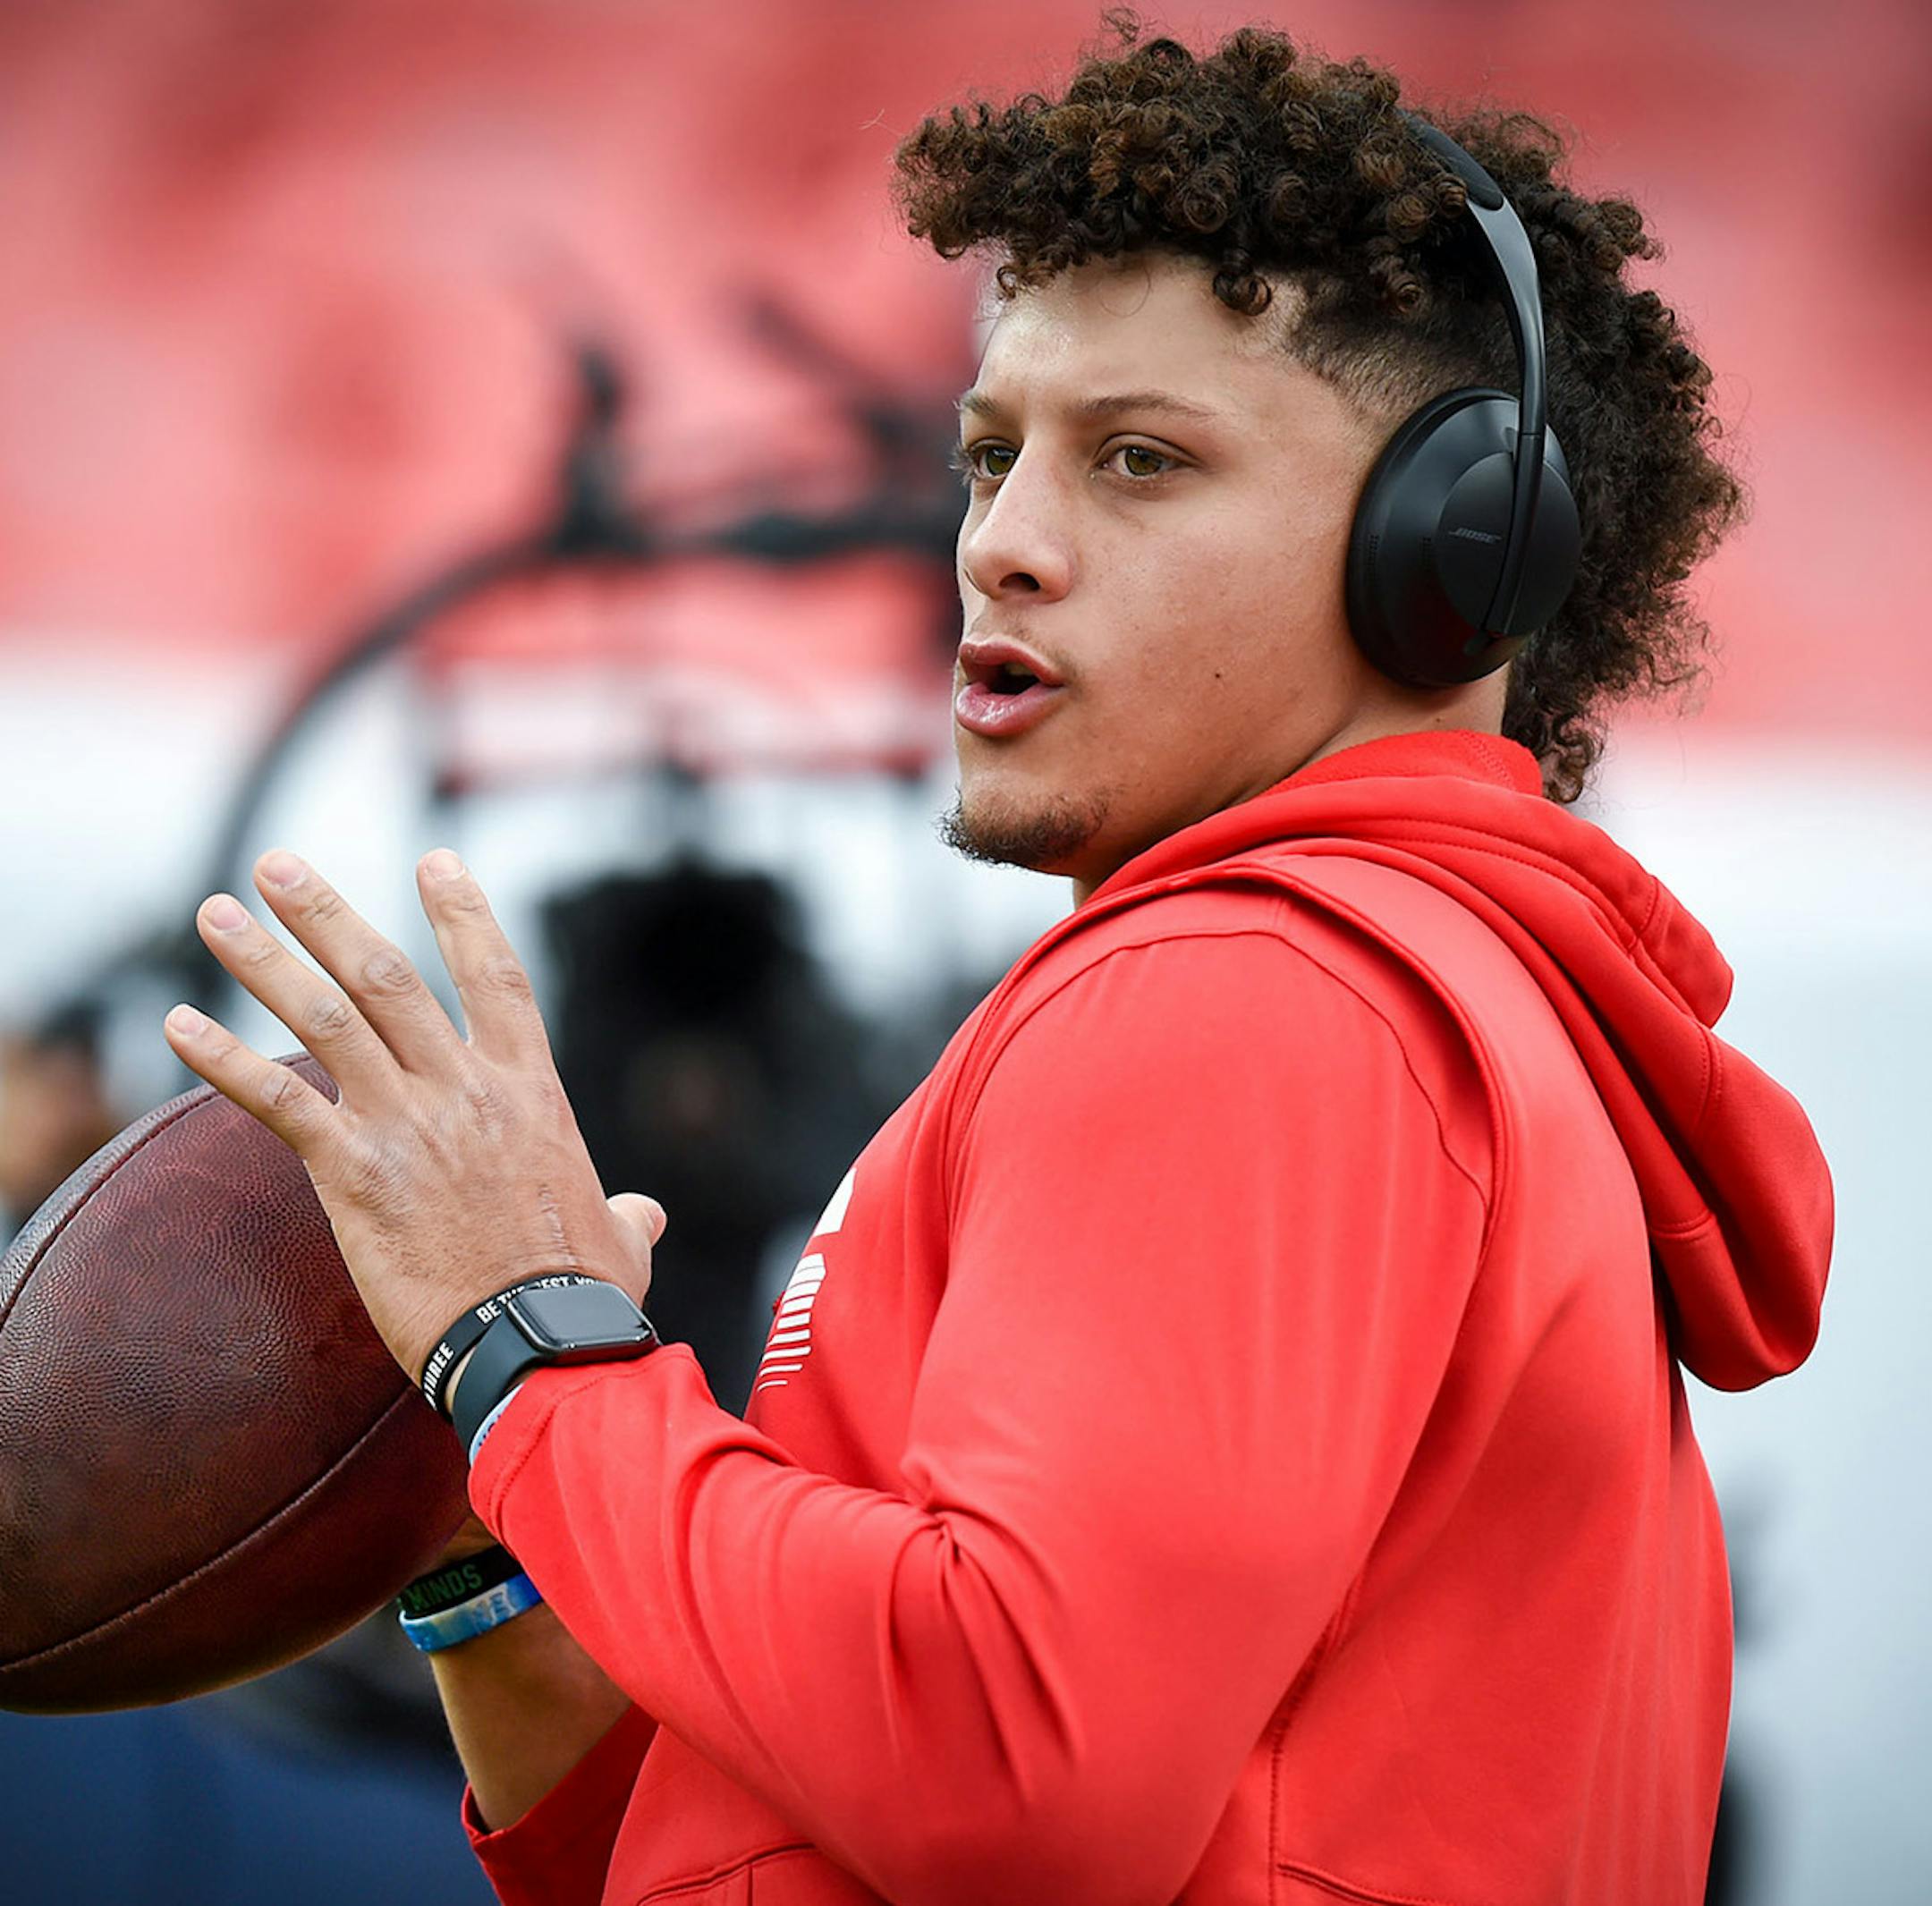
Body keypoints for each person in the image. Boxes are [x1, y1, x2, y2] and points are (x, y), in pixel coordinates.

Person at [162, 17, 1834, 1905]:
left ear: (1456, 555)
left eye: (1137, 460)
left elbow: (1011, 1780)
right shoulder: (1426, 1009)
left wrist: (538, 1350)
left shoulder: (1245, 995)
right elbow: (807, 1837)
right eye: (989, 454)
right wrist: (490, 1527)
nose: (1004, 545)